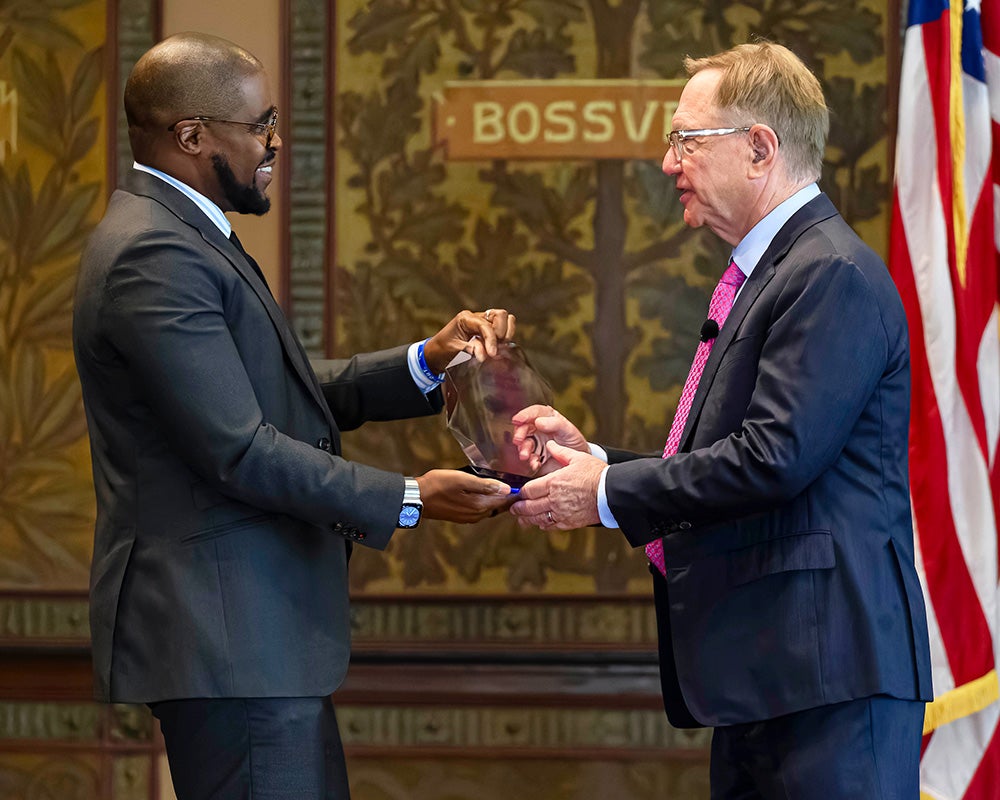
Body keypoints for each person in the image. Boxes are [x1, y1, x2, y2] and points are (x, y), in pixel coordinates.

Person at [73, 32, 514, 800]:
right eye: (262, 125)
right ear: (192, 136)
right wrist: (409, 500)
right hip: (226, 637)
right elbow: (239, 449)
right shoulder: (155, 253)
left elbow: (278, 389)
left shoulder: (182, 234)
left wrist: (425, 359)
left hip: (251, 641)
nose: (276, 143)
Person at [509, 42, 932, 799]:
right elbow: (730, 453)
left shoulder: (827, 273)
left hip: (827, 678)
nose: (669, 163)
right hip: (772, 676)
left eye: (685, 140)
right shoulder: (775, 271)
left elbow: (773, 458)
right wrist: (597, 457)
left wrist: (607, 492)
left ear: (760, 147)